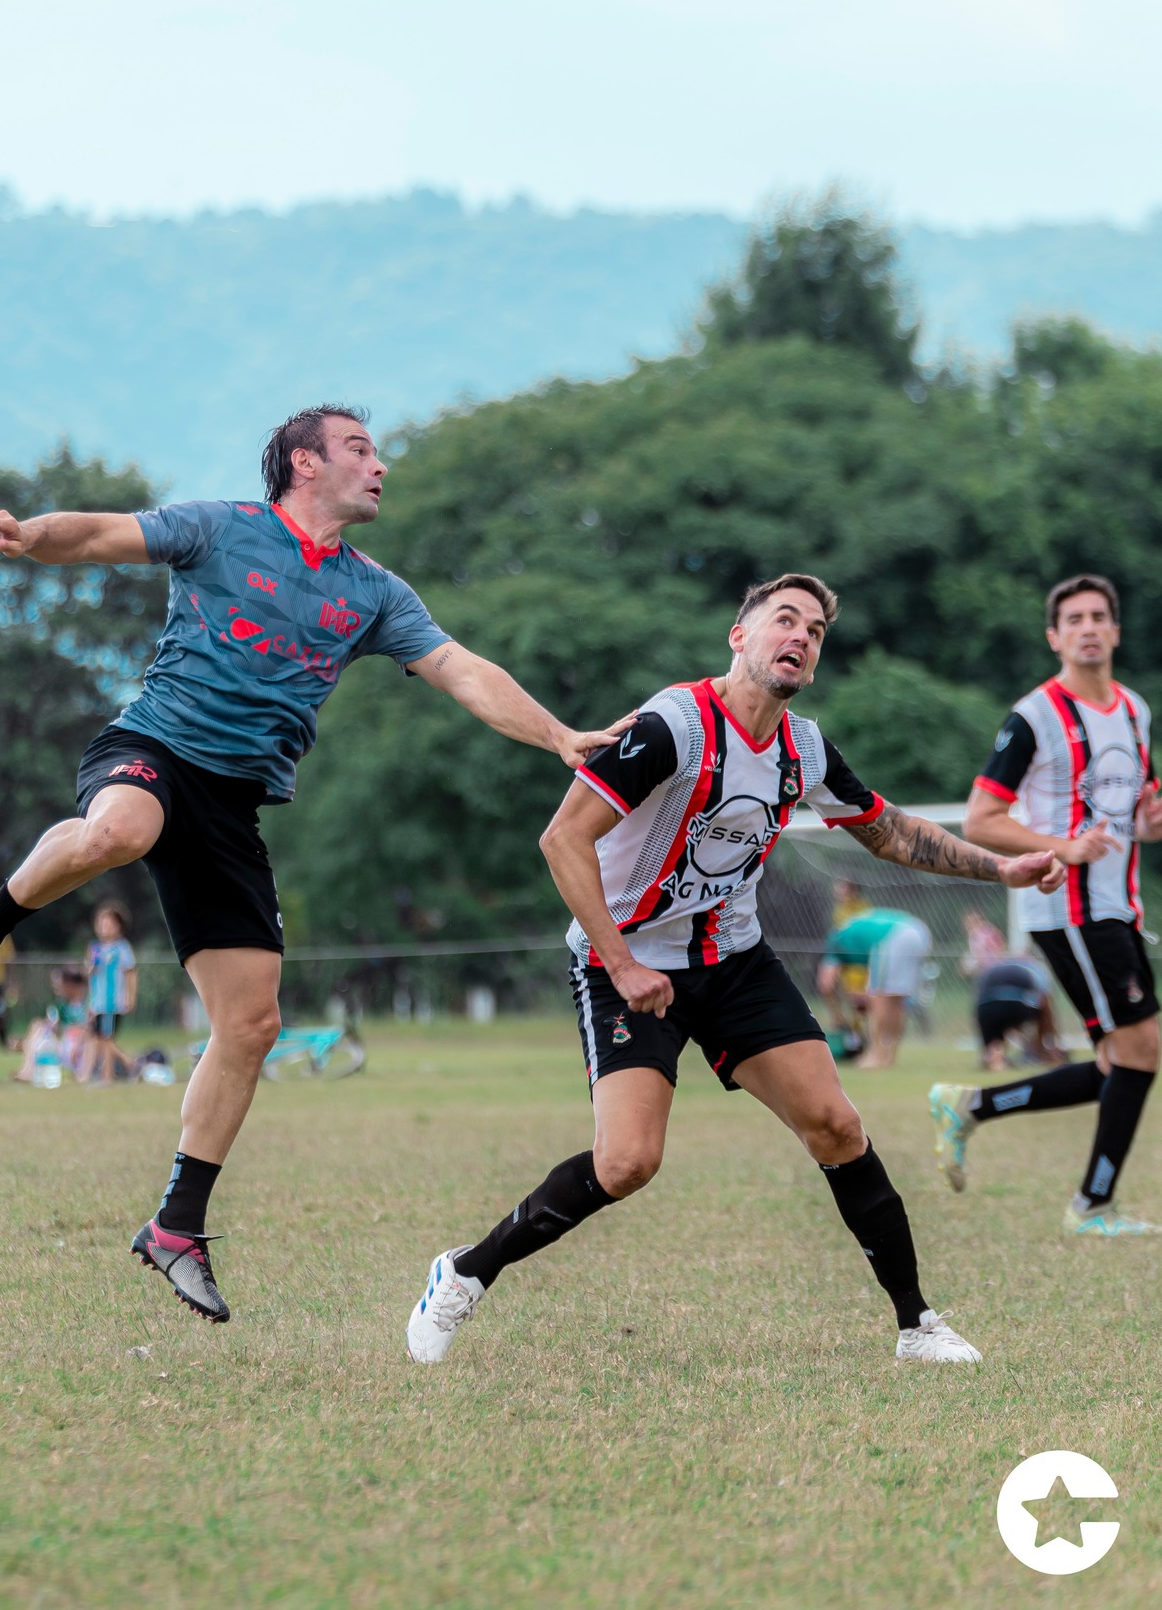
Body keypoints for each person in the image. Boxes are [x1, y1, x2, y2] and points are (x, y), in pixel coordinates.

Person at [0, 405, 629, 1323]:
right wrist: (26, 532)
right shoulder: (220, 529)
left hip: (232, 805)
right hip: (151, 750)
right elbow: (97, 536)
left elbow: (462, 670)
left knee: (250, 1026)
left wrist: (558, 735)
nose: (380, 466)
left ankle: (175, 1226)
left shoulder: (374, 593)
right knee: (120, 831)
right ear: (302, 463)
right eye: (359, 449)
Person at [406, 573, 1066, 1370]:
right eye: (784, 620)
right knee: (626, 1163)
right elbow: (562, 840)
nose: (800, 637)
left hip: (733, 961)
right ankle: (466, 1272)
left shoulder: (803, 749)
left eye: (814, 631)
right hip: (627, 966)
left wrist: (1002, 869)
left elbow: (888, 832)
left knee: (836, 1125)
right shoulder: (671, 728)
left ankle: (916, 1325)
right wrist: (621, 962)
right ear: (739, 636)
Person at [931, 573, 1162, 1233]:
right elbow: (981, 819)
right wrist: (1062, 847)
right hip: (1070, 909)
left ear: (1115, 631)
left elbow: (1134, 811)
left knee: (1124, 1060)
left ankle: (970, 1106)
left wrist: (1146, 824)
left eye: (1097, 617)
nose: (1087, 628)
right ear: (1054, 637)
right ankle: (1091, 1206)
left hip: (1117, 906)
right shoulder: (1035, 716)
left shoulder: (1134, 711)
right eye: (1073, 619)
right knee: (1141, 1048)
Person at [816, 906, 932, 1070]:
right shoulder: (853, 933)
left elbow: (826, 985)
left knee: (878, 997)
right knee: (897, 1000)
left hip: (894, 938)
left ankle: (875, 1055)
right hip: (919, 933)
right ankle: (889, 1055)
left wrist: (838, 1018)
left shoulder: (835, 941)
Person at [81, 903, 138, 1084]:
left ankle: (108, 1076)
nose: (104, 927)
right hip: (97, 1003)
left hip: (112, 1002)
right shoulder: (95, 948)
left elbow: (130, 972)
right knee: (98, 1039)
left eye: (109, 924)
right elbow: (90, 975)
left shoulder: (122, 948)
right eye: (101, 923)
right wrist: (89, 1002)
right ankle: (128, 1065)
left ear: (119, 926)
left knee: (106, 1039)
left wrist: (131, 996)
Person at [974, 956, 1062, 1072]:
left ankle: (994, 1055)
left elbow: (978, 998)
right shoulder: (1036, 968)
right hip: (1016, 1004)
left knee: (994, 1029)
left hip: (986, 1006)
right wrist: (1051, 1037)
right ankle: (1041, 1051)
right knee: (1042, 1013)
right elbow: (1044, 1001)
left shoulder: (994, 967)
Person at [14, 963, 90, 1083]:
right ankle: (27, 1071)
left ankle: (27, 1070)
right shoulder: (60, 1005)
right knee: (37, 1025)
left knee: (38, 1027)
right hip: (64, 1045)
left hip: (79, 1049)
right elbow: (53, 1027)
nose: (57, 989)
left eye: (60, 985)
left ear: (70, 985)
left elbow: (89, 1030)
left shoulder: (87, 1005)